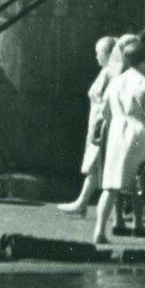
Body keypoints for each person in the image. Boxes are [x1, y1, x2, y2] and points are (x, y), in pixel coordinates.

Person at [93, 36, 145, 249]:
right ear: (142, 62)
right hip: (139, 133)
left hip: (116, 134)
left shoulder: (115, 82)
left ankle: (99, 231)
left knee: (111, 187)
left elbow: (105, 112)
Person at [58, 36, 123, 214]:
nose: (96, 57)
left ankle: (83, 203)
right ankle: (86, 204)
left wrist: (102, 124)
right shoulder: (107, 72)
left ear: (109, 53)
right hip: (97, 125)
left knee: (98, 165)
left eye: (99, 53)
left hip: (102, 126)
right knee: (98, 166)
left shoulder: (111, 73)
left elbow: (107, 101)